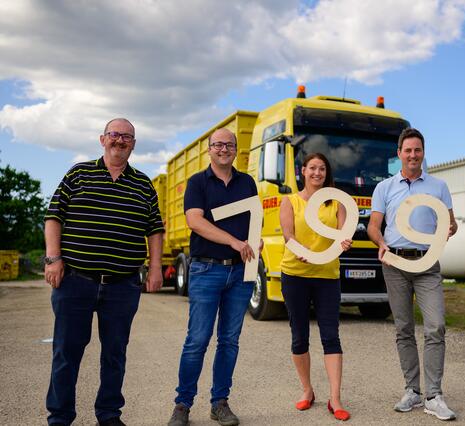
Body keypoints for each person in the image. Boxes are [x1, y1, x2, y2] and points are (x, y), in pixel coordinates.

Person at [43, 118, 165, 426]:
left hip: (122, 285)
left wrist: (154, 268)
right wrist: (53, 258)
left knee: (115, 354)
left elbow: (155, 230)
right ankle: (59, 417)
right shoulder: (79, 174)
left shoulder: (143, 184)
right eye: (115, 135)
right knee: (66, 353)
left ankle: (109, 415)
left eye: (127, 137)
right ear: (102, 139)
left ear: (133, 144)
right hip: (75, 282)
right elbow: (54, 216)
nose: (120, 141)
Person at [168, 128, 258, 426]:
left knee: (229, 341)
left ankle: (220, 403)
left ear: (236, 150)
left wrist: (252, 240)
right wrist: (233, 241)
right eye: (218, 145)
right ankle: (182, 405)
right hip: (206, 270)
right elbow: (195, 221)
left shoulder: (247, 183)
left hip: (240, 272)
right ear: (210, 149)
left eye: (229, 145)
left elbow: (253, 222)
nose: (223, 149)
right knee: (197, 340)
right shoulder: (196, 182)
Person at [367, 127, 458, 421]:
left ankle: (433, 394)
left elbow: (451, 224)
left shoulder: (439, 186)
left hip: (427, 264)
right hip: (395, 265)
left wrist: (449, 230)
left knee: (436, 326)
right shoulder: (384, 188)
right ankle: (412, 391)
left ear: (423, 153)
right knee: (403, 328)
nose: (413, 155)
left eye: (417, 150)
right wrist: (381, 243)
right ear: (399, 154)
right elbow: (373, 226)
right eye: (407, 150)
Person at [279, 153, 352, 421]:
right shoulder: (291, 201)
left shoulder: (337, 202)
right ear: (303, 171)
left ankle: (335, 398)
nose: (317, 173)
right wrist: (300, 250)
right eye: (312, 168)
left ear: (326, 172)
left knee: (331, 335)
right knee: (299, 335)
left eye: (322, 168)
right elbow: (288, 235)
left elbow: (345, 233)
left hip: (327, 276)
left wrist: (345, 241)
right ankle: (307, 391)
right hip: (295, 274)